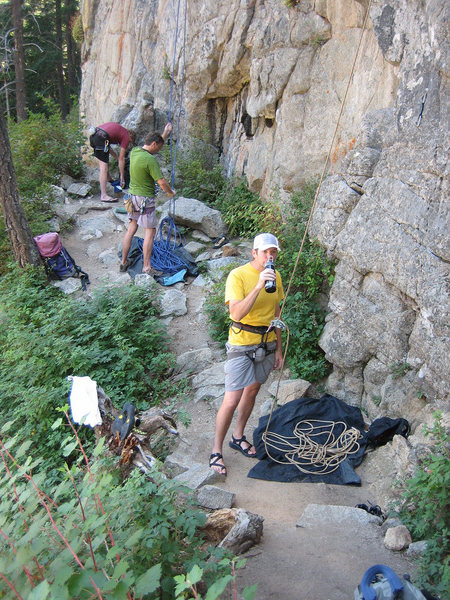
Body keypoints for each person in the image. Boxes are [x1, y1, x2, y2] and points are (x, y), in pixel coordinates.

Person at [209, 233, 284, 475]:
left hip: (267, 342)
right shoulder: (238, 275)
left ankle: (238, 436)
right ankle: (216, 450)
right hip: (242, 343)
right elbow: (237, 314)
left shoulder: (277, 277)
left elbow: (276, 315)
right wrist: (259, 284)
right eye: (265, 252)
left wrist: (279, 349)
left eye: (273, 252)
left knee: (252, 390)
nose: (270, 256)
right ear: (254, 253)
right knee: (231, 399)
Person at [119, 124, 174, 275]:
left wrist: (165, 133)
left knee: (132, 228)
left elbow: (154, 144)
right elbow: (162, 182)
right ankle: (147, 267)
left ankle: (123, 262)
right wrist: (171, 193)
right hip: (145, 199)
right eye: (158, 148)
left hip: (132, 197)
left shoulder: (135, 151)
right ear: (154, 145)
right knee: (150, 231)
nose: (159, 151)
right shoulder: (150, 161)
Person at [89, 122, 135, 202]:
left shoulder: (120, 131)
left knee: (103, 163)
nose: (128, 143)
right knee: (104, 168)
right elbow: (122, 158)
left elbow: (107, 147)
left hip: (94, 136)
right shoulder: (126, 136)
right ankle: (103, 195)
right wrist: (122, 178)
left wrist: (116, 157)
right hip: (102, 138)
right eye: (130, 141)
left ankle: (110, 181)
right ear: (131, 136)